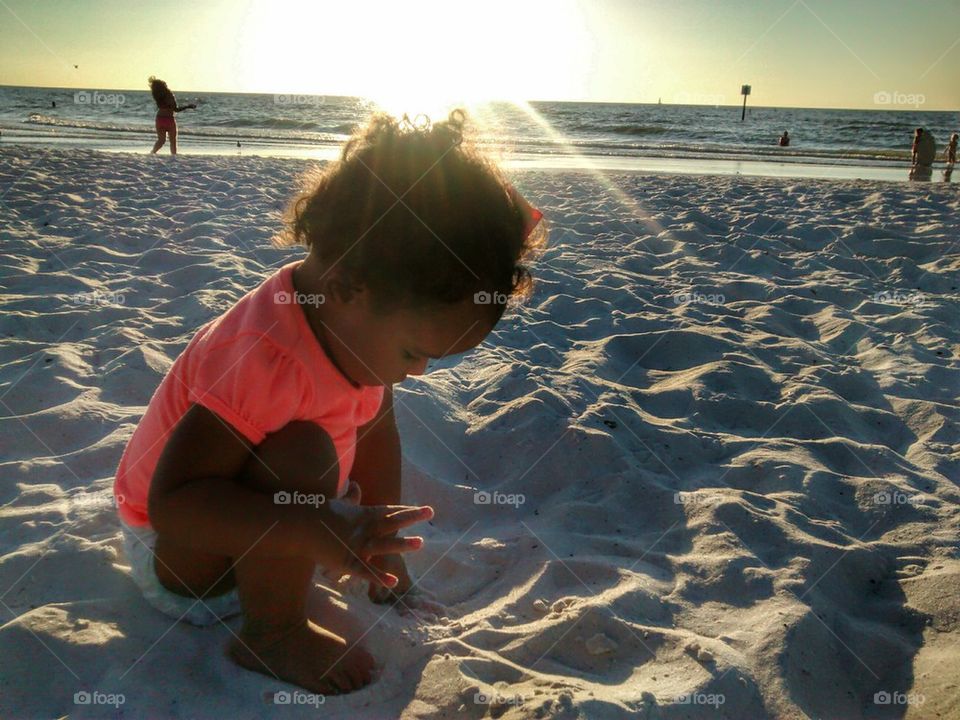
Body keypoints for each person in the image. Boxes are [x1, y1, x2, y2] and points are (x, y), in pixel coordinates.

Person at [113, 110, 546, 695]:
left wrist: (380, 554)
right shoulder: (264, 357)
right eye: (415, 352)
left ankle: (288, 563)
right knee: (304, 451)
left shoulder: (353, 325)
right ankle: (272, 633)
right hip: (186, 563)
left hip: (268, 526)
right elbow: (174, 506)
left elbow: (374, 431)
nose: (417, 372)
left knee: (318, 450)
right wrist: (307, 525)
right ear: (346, 287)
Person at [148, 76, 196, 155]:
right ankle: (173, 156)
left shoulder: (157, 98)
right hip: (169, 119)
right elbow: (176, 109)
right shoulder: (169, 95)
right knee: (173, 141)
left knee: (161, 140)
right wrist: (188, 106)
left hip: (159, 119)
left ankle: (153, 152)